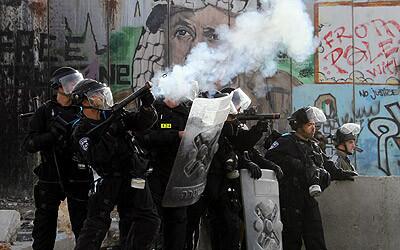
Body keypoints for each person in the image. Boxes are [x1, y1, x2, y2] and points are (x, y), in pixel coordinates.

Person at [70, 79, 160, 250]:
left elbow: (141, 123)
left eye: (100, 94)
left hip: (132, 175)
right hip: (107, 180)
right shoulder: (81, 130)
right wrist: (111, 132)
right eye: (95, 96)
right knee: (96, 226)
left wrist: (147, 106)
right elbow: (96, 156)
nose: (100, 98)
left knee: (148, 220)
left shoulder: (112, 114)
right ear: (83, 101)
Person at [23, 67, 91, 249]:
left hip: (78, 176)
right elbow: (29, 144)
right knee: (44, 227)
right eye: (69, 82)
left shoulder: (84, 109)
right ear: (57, 87)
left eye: (76, 81)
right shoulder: (45, 112)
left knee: (83, 225)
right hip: (51, 176)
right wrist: (51, 136)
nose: (74, 85)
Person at [265, 106, 331, 250]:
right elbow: (270, 157)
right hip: (290, 202)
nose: (313, 128)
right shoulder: (286, 141)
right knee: (291, 242)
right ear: (299, 126)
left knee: (316, 241)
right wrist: (295, 164)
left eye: (314, 125)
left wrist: (326, 175)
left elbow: (326, 165)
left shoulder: (313, 145)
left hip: (308, 200)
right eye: (309, 125)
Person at [136, 97, 191, 250]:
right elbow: (144, 136)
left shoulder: (186, 113)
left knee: (179, 220)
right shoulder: (153, 110)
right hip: (155, 172)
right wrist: (175, 135)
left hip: (179, 173)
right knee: (154, 219)